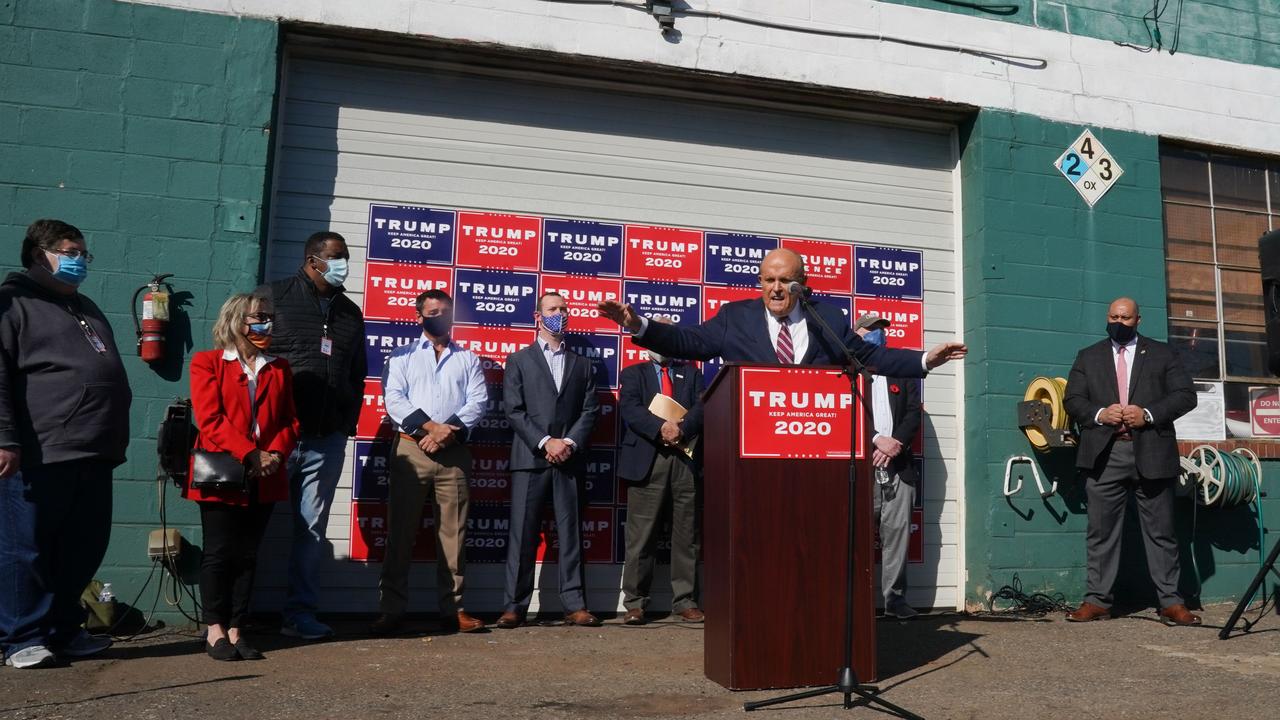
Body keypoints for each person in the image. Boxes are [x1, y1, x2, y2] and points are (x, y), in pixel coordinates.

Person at [0, 219, 132, 669]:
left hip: (93, 450)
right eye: (72, 251)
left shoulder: (83, 305)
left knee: (83, 546)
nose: (80, 260)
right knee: (26, 547)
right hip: (40, 450)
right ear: (40, 254)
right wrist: (4, 439)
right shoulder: (12, 304)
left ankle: (61, 629)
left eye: (83, 253)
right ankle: (22, 638)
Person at [598, 248, 965, 376]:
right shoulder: (735, 317)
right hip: (748, 451)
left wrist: (925, 360)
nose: (775, 288)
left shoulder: (829, 319)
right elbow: (688, 341)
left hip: (813, 449)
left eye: (785, 280)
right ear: (760, 282)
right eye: (768, 280)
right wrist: (640, 324)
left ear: (801, 283)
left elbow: (869, 357)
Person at [1062, 297, 1200, 626]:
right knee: (1101, 531)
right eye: (1113, 316)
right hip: (1105, 454)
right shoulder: (1088, 356)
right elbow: (1072, 399)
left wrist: (1148, 414)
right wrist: (1099, 413)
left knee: (1162, 532)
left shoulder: (1164, 353)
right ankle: (1097, 601)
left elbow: (1185, 395)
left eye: (1125, 318)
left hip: (1152, 451)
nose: (1119, 322)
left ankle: (1170, 602)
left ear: (1138, 320)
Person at [260, 231, 366, 641]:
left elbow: (357, 374)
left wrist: (346, 422)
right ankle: (235, 617)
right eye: (336, 257)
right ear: (312, 260)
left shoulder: (349, 313)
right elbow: (248, 354)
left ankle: (298, 614)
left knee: (311, 529)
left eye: (346, 257)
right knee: (252, 525)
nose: (343, 265)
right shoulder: (273, 296)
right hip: (276, 437)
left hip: (326, 438)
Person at [185, 292, 300, 660]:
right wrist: (251, 454)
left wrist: (274, 454)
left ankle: (237, 628)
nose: (265, 322)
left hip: (266, 472)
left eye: (268, 316)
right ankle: (214, 628)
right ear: (237, 321)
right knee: (219, 553)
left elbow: (290, 421)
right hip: (224, 471)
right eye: (257, 316)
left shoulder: (278, 366)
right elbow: (210, 420)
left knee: (249, 554)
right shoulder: (208, 363)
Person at [372, 290, 488, 636]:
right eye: (433, 312)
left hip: (453, 454)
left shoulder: (467, 358)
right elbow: (394, 398)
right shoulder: (402, 356)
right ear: (419, 317)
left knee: (454, 535)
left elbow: (477, 401)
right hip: (411, 450)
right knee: (401, 534)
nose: (440, 316)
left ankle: (453, 610)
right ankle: (391, 609)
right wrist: (429, 427)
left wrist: (446, 432)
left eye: (446, 311)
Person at [498, 292, 601, 628]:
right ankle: (514, 606)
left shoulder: (583, 364)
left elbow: (590, 410)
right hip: (530, 458)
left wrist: (567, 442)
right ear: (538, 316)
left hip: (568, 460)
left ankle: (575, 605)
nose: (560, 314)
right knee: (522, 534)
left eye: (564, 309)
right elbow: (513, 410)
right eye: (553, 309)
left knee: (570, 534)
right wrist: (545, 442)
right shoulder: (518, 360)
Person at [617, 318, 705, 625]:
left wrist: (681, 429)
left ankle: (685, 600)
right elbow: (630, 409)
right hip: (647, 460)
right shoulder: (632, 374)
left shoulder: (693, 374)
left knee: (687, 535)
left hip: (685, 460)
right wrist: (661, 428)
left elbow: (702, 408)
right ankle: (635, 602)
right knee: (641, 536)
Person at [854, 312, 923, 620]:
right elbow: (842, 413)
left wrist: (894, 445)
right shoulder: (847, 370)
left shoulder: (901, 369)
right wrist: (875, 439)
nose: (878, 334)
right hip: (860, 467)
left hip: (898, 465)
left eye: (882, 329)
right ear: (856, 333)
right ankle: (856, 601)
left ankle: (894, 600)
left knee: (897, 536)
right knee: (854, 538)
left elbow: (912, 414)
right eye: (871, 328)